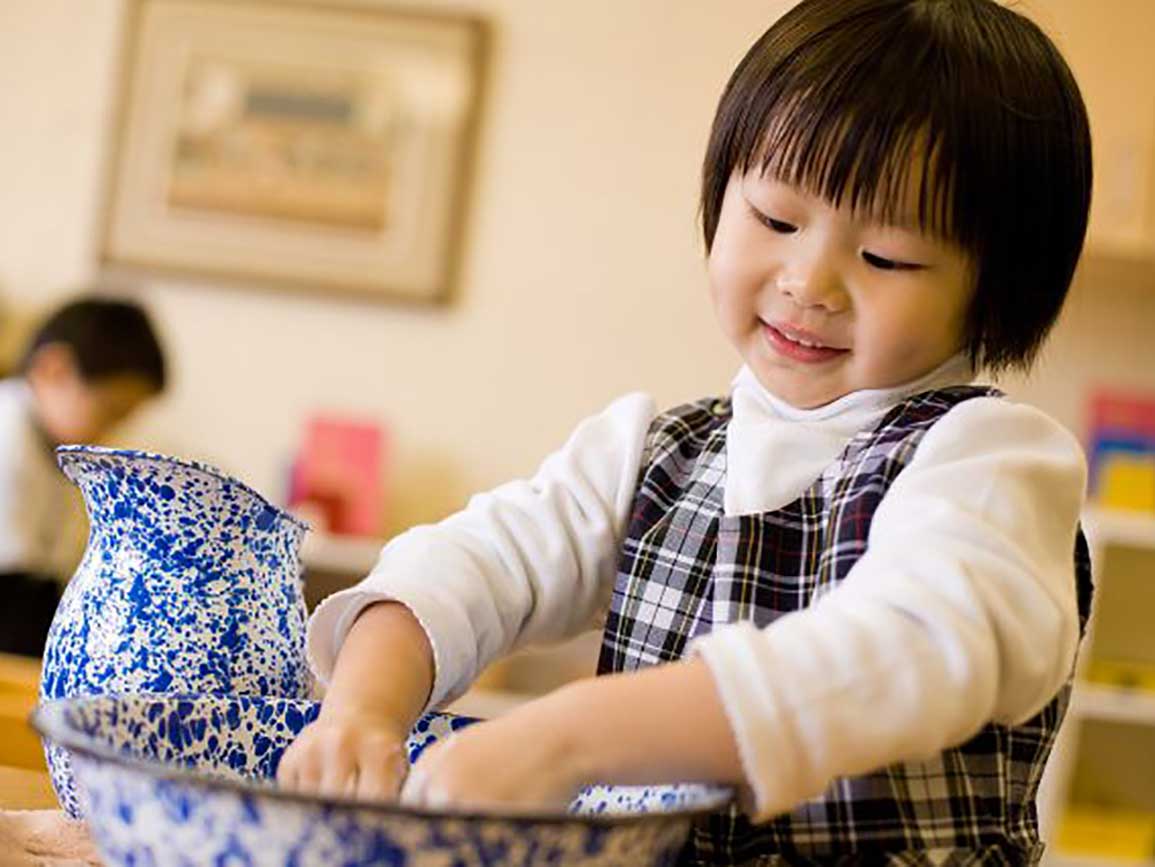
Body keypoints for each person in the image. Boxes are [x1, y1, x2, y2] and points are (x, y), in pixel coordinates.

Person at [279, 0, 1095, 861]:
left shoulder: (991, 465)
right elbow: (472, 564)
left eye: (885, 257)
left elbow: (916, 645)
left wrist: (567, 737)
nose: (808, 282)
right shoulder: (650, 456)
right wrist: (362, 709)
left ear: (998, 285)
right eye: (775, 219)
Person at [0, 296, 166, 657]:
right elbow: (17, 590)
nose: (111, 431)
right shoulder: (8, 432)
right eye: (111, 411)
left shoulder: (52, 444)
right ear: (54, 369)